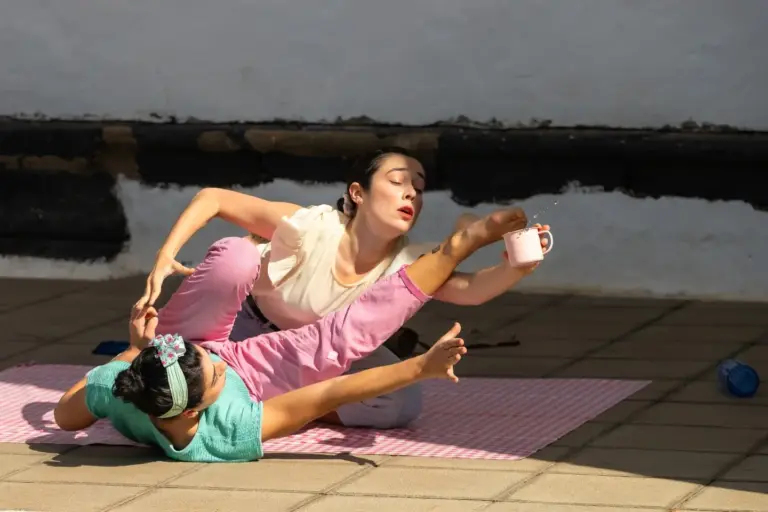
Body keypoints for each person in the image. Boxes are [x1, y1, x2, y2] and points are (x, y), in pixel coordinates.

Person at [55, 209, 527, 463]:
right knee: (339, 338)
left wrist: (138, 350)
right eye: (215, 369)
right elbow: (331, 390)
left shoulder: (117, 389)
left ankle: (176, 344)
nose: (220, 357)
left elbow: (63, 417)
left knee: (240, 258)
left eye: (206, 358)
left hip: (166, 348)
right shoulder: (230, 432)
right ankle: (455, 248)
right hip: (255, 377)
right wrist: (420, 368)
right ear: (201, 408)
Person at [133, 147, 549, 428]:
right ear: (358, 193)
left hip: (315, 356)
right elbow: (213, 199)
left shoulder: (409, 262)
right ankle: (166, 362)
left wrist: (516, 268)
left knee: (400, 402)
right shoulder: (310, 226)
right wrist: (165, 257)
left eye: (419, 189)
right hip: (236, 335)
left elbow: (470, 290)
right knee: (236, 259)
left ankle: (281, 407)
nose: (411, 194)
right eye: (399, 182)